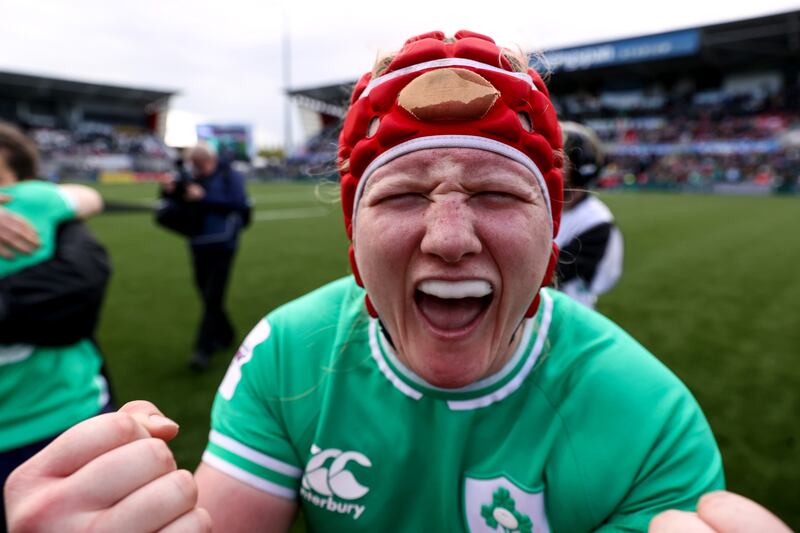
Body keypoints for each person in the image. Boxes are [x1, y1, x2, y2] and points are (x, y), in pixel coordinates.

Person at [3, 31, 791, 533]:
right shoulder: (287, 352)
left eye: (495, 192)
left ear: (553, 233)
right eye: (404, 194)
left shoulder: (646, 415)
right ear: (355, 234)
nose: (449, 240)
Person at [0, 122, 112, 529]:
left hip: (59, 414)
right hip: (66, 412)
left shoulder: (29, 201)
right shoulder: (37, 199)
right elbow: (89, 196)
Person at [159, 143, 250, 371]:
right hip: (198, 242)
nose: (197, 169)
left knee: (212, 296)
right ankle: (227, 334)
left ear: (210, 160)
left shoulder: (231, 175)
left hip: (223, 243)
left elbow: (238, 203)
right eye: (194, 165)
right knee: (204, 292)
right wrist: (169, 190)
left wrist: (204, 197)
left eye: (200, 165)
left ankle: (203, 349)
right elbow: (178, 202)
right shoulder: (191, 176)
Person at [554, 121, 623, 308]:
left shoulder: (596, 221)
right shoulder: (540, 205)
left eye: (559, 160)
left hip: (562, 315)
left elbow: (557, 274)